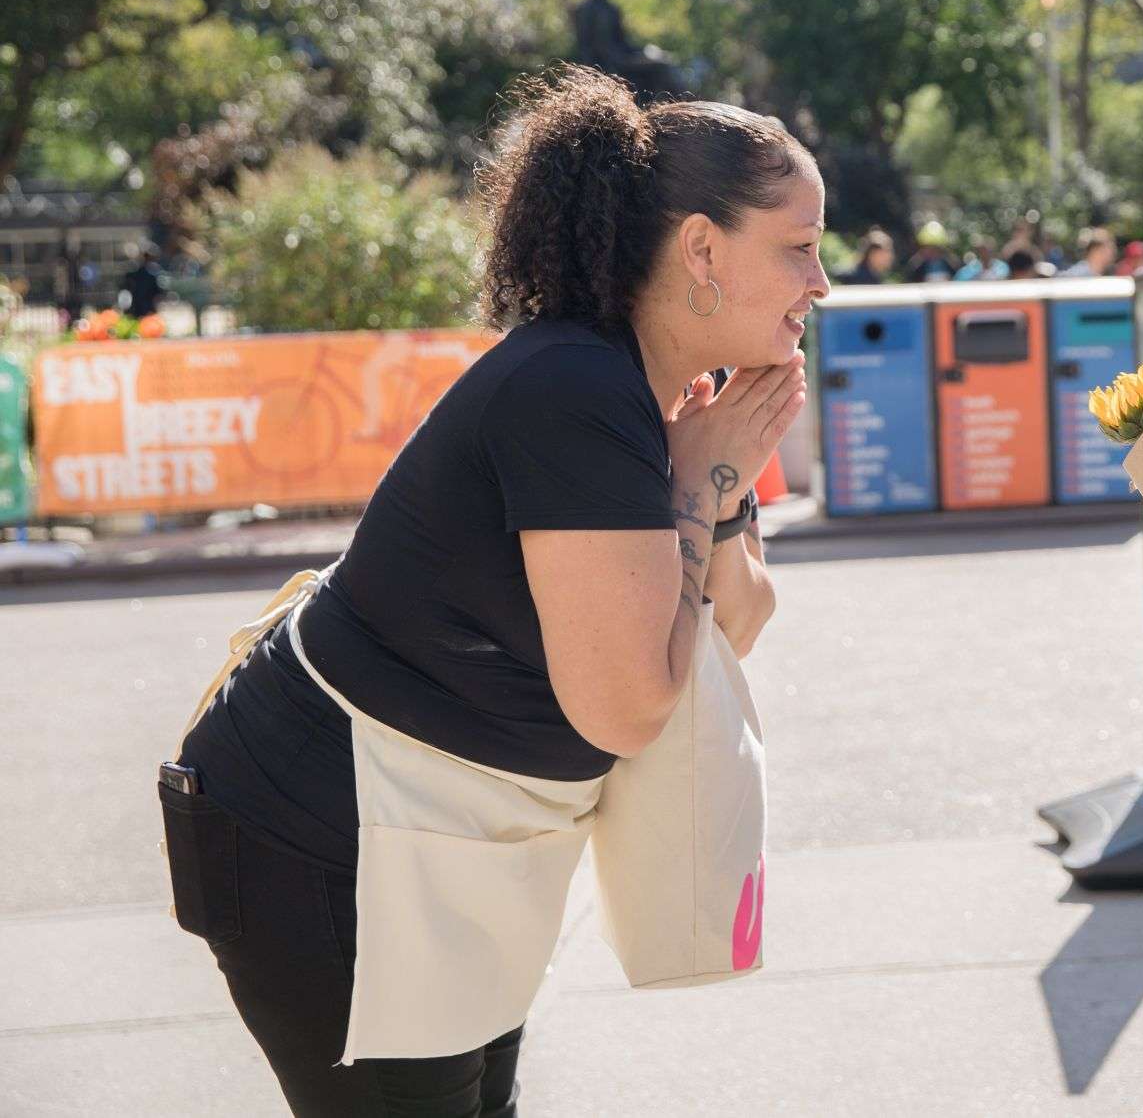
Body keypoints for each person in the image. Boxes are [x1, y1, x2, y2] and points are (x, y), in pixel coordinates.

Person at [163, 67, 824, 1114]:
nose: (819, 283)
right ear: (701, 250)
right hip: (331, 834)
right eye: (797, 246)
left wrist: (720, 477)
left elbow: (734, 623)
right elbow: (631, 706)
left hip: (448, 841)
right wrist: (700, 477)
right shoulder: (574, 388)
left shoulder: (657, 394)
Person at [119, 245, 168, 319]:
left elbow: (159, 290)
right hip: (137, 306)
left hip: (148, 306)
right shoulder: (135, 271)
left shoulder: (155, 272)